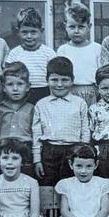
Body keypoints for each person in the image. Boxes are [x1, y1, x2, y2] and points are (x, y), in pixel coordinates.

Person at [32, 57, 89, 186]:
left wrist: (83, 154)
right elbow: (36, 134)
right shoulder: (41, 104)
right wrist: (37, 160)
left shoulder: (80, 103)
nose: (59, 84)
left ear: (72, 80)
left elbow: (85, 130)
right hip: (49, 151)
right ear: (47, 80)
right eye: (54, 80)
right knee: (48, 185)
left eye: (64, 80)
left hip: (74, 151)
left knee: (72, 186)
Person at [5, 7, 56, 104]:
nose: (29, 36)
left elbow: (54, 76)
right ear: (18, 31)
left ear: (41, 30)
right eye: (24, 32)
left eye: (33, 32)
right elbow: (8, 76)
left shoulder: (49, 53)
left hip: (44, 92)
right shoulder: (14, 53)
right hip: (21, 93)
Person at [56, 2, 101, 107]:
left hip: (93, 92)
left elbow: (101, 74)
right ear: (65, 26)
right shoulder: (63, 50)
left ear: (89, 27)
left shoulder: (97, 48)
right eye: (72, 27)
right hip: (70, 91)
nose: (76, 31)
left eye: (81, 27)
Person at [0, 62, 35, 176]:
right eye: (10, 84)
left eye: (20, 84)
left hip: (26, 149)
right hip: (3, 149)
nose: (15, 89)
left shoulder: (32, 108)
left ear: (28, 87)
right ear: (3, 87)